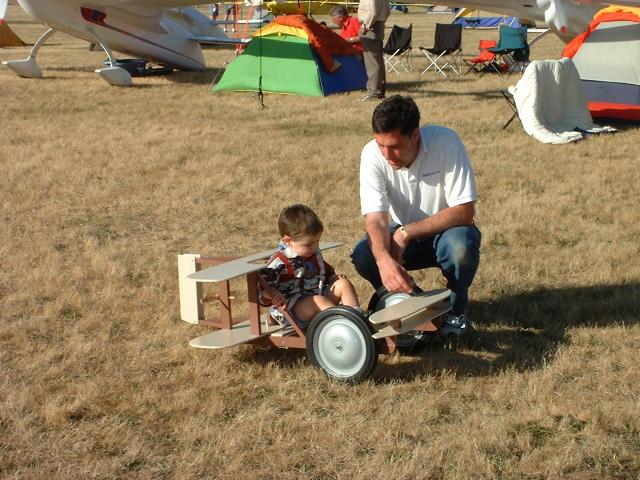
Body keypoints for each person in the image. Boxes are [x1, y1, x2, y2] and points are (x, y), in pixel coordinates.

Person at [351, 95, 481, 337]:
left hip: (449, 233)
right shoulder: (371, 154)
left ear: (415, 135)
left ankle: (456, 310)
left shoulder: (446, 142)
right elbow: (376, 219)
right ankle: (412, 303)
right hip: (403, 232)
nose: (386, 154)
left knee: (461, 247)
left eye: (394, 146)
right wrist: (383, 261)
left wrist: (405, 232)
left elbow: (464, 212)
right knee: (364, 254)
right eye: (381, 145)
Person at [260, 204, 361, 327]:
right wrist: (273, 294)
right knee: (319, 301)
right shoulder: (279, 261)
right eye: (308, 244)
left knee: (343, 284)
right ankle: (342, 327)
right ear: (288, 241)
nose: (314, 247)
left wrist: (333, 278)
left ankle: (357, 320)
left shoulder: (312, 255)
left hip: (315, 296)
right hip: (292, 310)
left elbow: (325, 271)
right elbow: (261, 290)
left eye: (317, 242)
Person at [357, 0, 390, 101]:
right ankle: (380, 90)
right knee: (378, 61)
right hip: (379, 25)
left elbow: (373, 13)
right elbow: (388, 11)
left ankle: (374, 92)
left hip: (370, 27)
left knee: (372, 62)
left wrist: (365, 27)